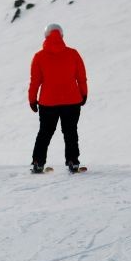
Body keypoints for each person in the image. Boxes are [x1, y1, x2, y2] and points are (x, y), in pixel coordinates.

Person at [28, 23, 88, 173]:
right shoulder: (73, 54)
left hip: (48, 103)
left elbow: (35, 81)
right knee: (70, 132)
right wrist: (84, 93)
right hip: (72, 101)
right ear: (62, 35)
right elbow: (81, 77)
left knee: (45, 132)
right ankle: (73, 161)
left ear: (45, 36)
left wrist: (32, 99)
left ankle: (38, 163)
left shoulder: (39, 57)